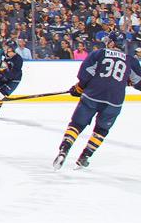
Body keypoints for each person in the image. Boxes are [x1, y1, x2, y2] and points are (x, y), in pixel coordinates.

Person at [53, 40, 141, 170]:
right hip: (114, 101)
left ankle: (64, 150)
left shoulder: (99, 53)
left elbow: (85, 73)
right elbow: (139, 82)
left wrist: (79, 87)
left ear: (111, 44)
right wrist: (126, 81)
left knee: (76, 124)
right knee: (101, 130)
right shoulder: (130, 60)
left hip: (93, 95)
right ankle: (85, 156)